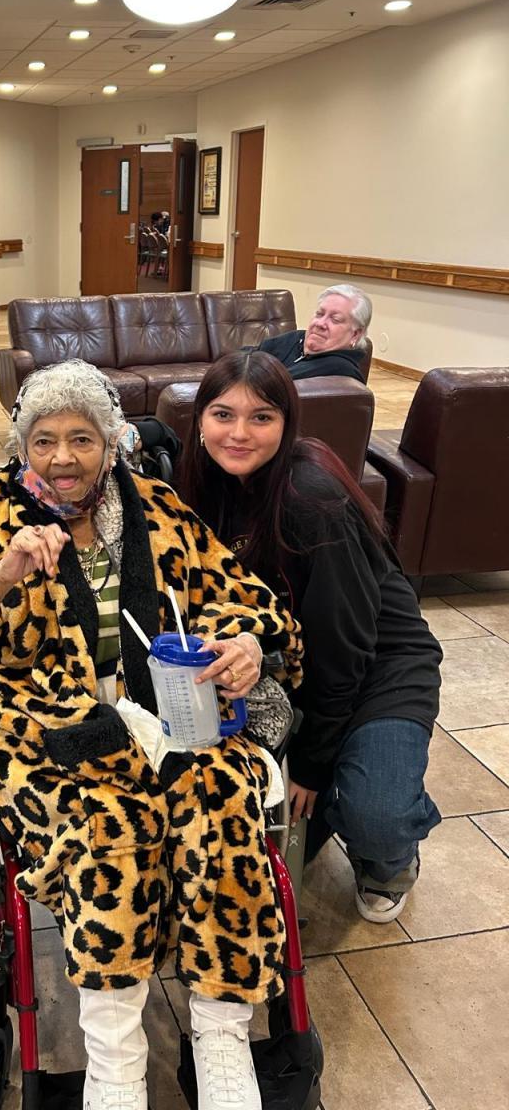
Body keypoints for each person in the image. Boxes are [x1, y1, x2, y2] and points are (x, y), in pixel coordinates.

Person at [0, 359, 302, 1110]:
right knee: (110, 817)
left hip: (159, 711)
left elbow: (243, 596)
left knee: (221, 792)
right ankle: (116, 1061)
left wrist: (245, 643)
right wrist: (2, 574)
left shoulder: (155, 506)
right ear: (23, 446)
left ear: (112, 442)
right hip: (31, 721)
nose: (62, 457)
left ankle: (221, 1036)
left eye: (81, 438)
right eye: (44, 440)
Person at [180, 350, 442, 925]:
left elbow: (344, 646)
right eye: (223, 415)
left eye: (261, 417)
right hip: (294, 664)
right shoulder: (204, 482)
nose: (239, 433)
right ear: (199, 420)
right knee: (269, 828)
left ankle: (391, 857)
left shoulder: (310, 496)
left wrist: (313, 764)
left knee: (373, 814)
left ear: (287, 423)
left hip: (378, 668)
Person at [257, 283, 371, 382]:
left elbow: (268, 385)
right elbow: (253, 354)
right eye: (319, 314)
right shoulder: (296, 338)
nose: (320, 323)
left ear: (355, 334)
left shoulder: (339, 368)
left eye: (335, 319)